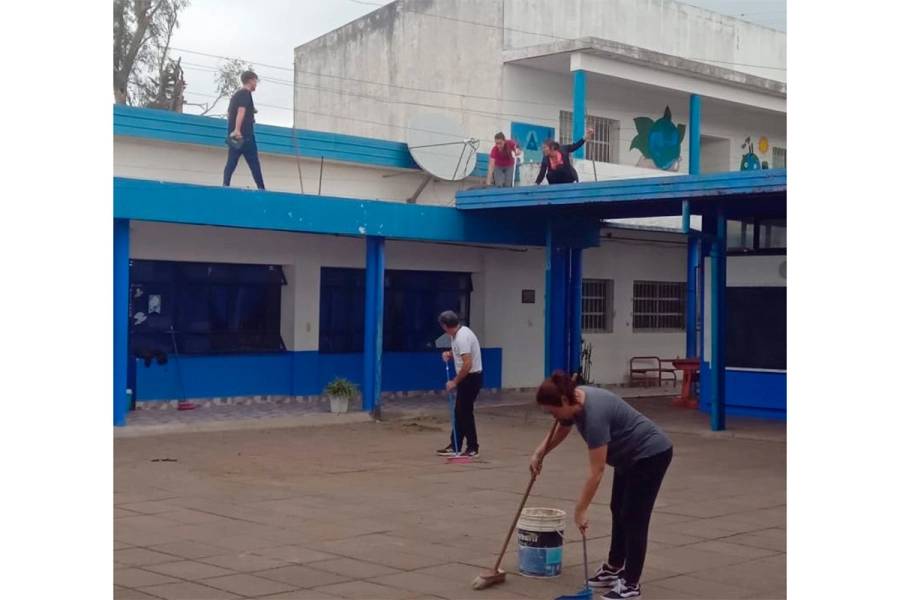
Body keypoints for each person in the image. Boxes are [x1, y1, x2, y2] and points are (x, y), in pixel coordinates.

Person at [529, 370, 673, 600]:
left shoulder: (594, 415)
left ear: (564, 401)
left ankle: (631, 585)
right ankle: (615, 567)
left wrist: (581, 509)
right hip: (627, 457)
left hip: (650, 454)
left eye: (553, 411)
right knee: (618, 508)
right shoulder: (572, 401)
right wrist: (540, 452)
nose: (553, 417)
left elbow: (596, 472)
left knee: (634, 517)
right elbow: (562, 427)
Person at [436, 310, 483, 458]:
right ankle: (455, 444)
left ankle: (472, 447)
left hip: (471, 378)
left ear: (444, 325)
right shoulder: (457, 334)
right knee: (459, 412)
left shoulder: (462, 337)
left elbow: (467, 364)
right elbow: (460, 351)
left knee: (465, 412)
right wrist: (450, 354)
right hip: (467, 378)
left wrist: (454, 382)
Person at [223, 70, 265, 190]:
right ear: (251, 80)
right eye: (255, 81)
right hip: (244, 136)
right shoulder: (245, 94)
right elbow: (241, 111)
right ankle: (261, 188)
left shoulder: (235, 96)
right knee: (254, 163)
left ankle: (225, 185)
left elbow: (229, 113)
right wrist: (237, 129)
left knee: (231, 161)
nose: (255, 84)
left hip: (235, 137)